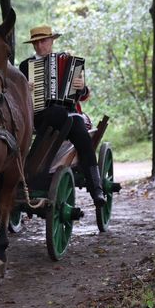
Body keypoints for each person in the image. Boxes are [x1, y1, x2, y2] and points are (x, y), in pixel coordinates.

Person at [18, 25, 106, 207]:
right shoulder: (26, 66)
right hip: (40, 115)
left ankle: (96, 189)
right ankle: (34, 172)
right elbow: (18, 97)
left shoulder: (69, 61)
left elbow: (83, 95)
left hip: (69, 114)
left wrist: (81, 87)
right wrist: (26, 90)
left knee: (81, 133)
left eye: (44, 41)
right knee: (59, 114)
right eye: (36, 42)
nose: (40, 45)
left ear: (52, 41)